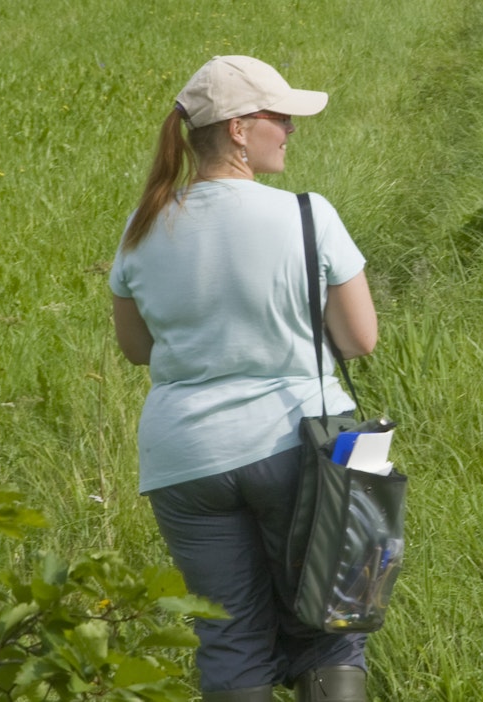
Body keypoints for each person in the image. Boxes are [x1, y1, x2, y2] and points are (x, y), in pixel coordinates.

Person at [109, 55, 377, 702]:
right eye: (279, 117)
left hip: (185, 460)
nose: (289, 129)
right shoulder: (307, 215)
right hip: (301, 445)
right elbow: (359, 339)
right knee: (332, 630)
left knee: (229, 640)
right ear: (236, 128)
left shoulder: (142, 227)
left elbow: (137, 349)